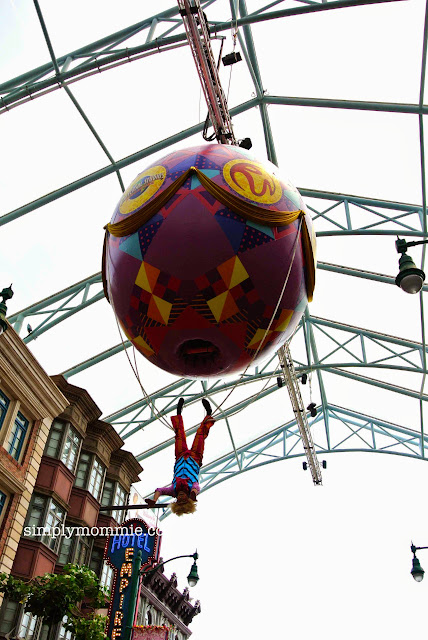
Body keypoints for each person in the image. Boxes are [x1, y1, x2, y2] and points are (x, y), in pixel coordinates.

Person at [145, 397, 214, 516]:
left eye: (179, 501)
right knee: (200, 435)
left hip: (180, 457)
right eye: (184, 500)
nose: (181, 498)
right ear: (188, 499)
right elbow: (196, 488)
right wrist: (193, 495)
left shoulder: (173, 490)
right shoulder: (192, 488)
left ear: (176, 501)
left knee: (179, 435)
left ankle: (178, 413)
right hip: (195, 458)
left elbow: (160, 490)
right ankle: (208, 414)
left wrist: (154, 500)